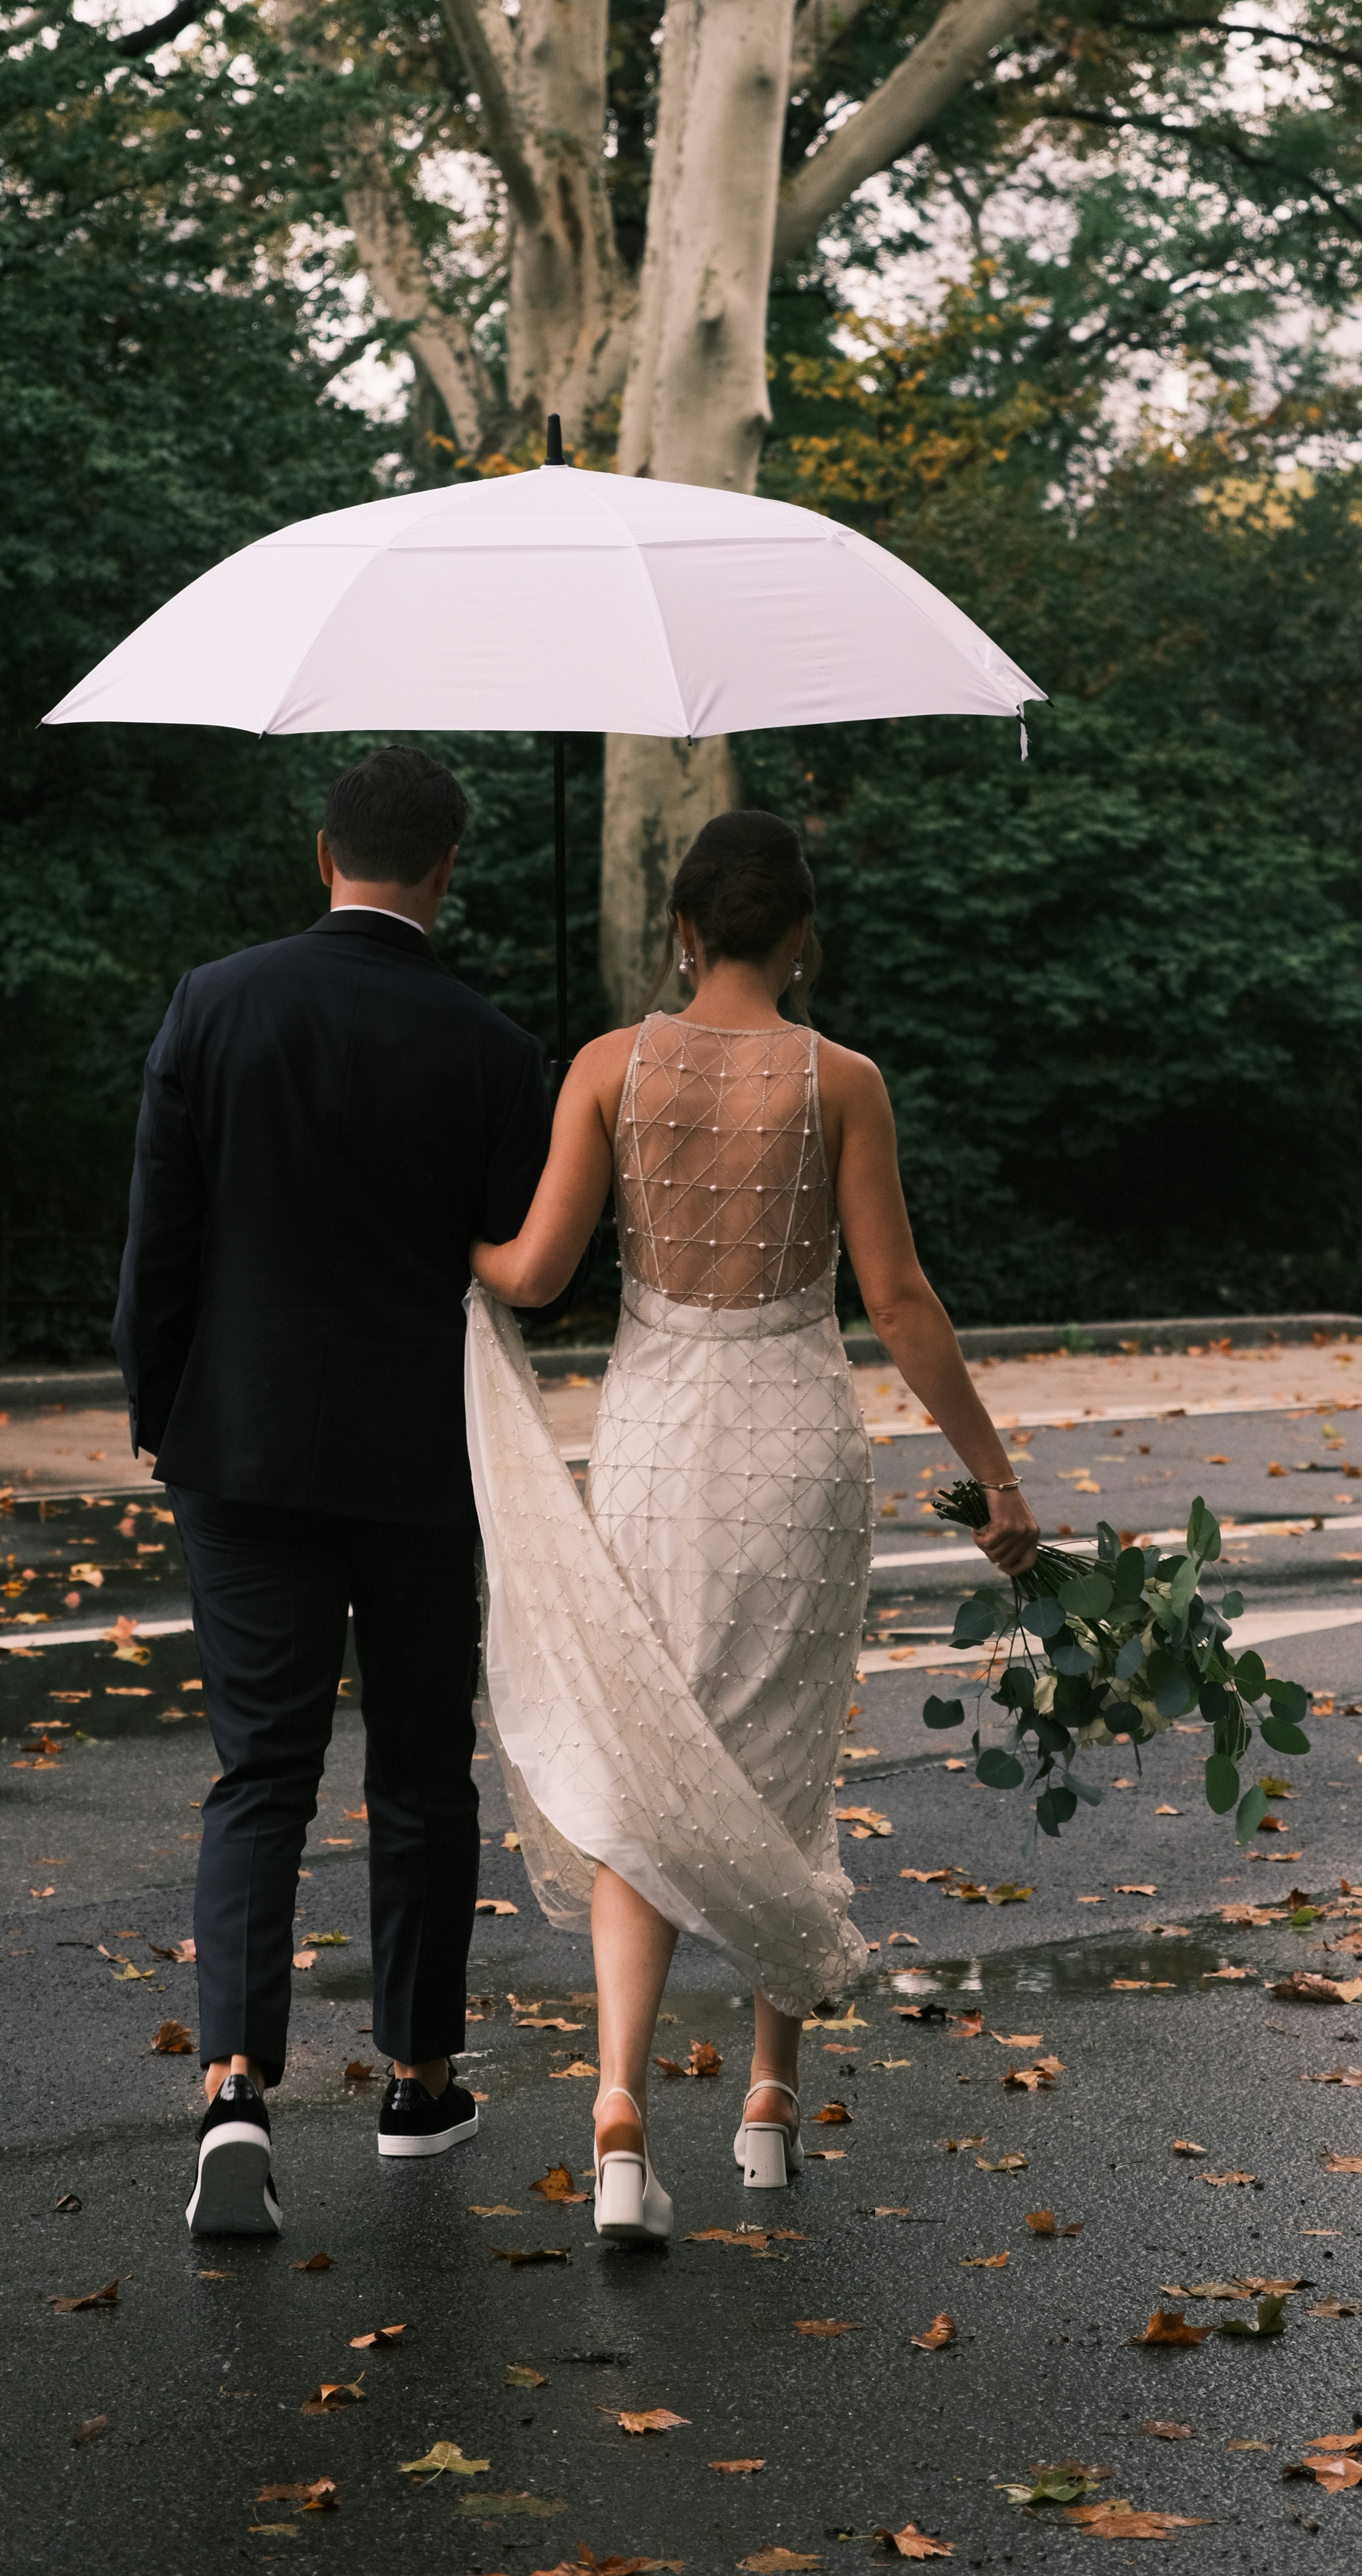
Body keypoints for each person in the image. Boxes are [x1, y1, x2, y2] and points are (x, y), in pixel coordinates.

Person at [466, 807, 1039, 2239]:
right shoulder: (842, 1080)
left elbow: (533, 1274)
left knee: (643, 1759)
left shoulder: (611, 1067)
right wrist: (996, 1485)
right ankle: (772, 2104)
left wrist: (434, 1239)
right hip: (793, 1443)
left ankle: (615, 2119)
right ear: (800, 937)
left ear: (681, 930)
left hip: (657, 1441)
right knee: (787, 1755)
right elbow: (898, 1303)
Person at [114, 744, 552, 2238]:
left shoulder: (215, 1003)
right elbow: (522, 1270)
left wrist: (157, 1403)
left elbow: (159, 1239)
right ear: (444, 871)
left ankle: (236, 2080)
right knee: (423, 1772)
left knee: (263, 1772)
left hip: (239, 1444)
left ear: (325, 854)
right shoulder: (493, 1047)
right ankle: (419, 2081)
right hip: (424, 1459)